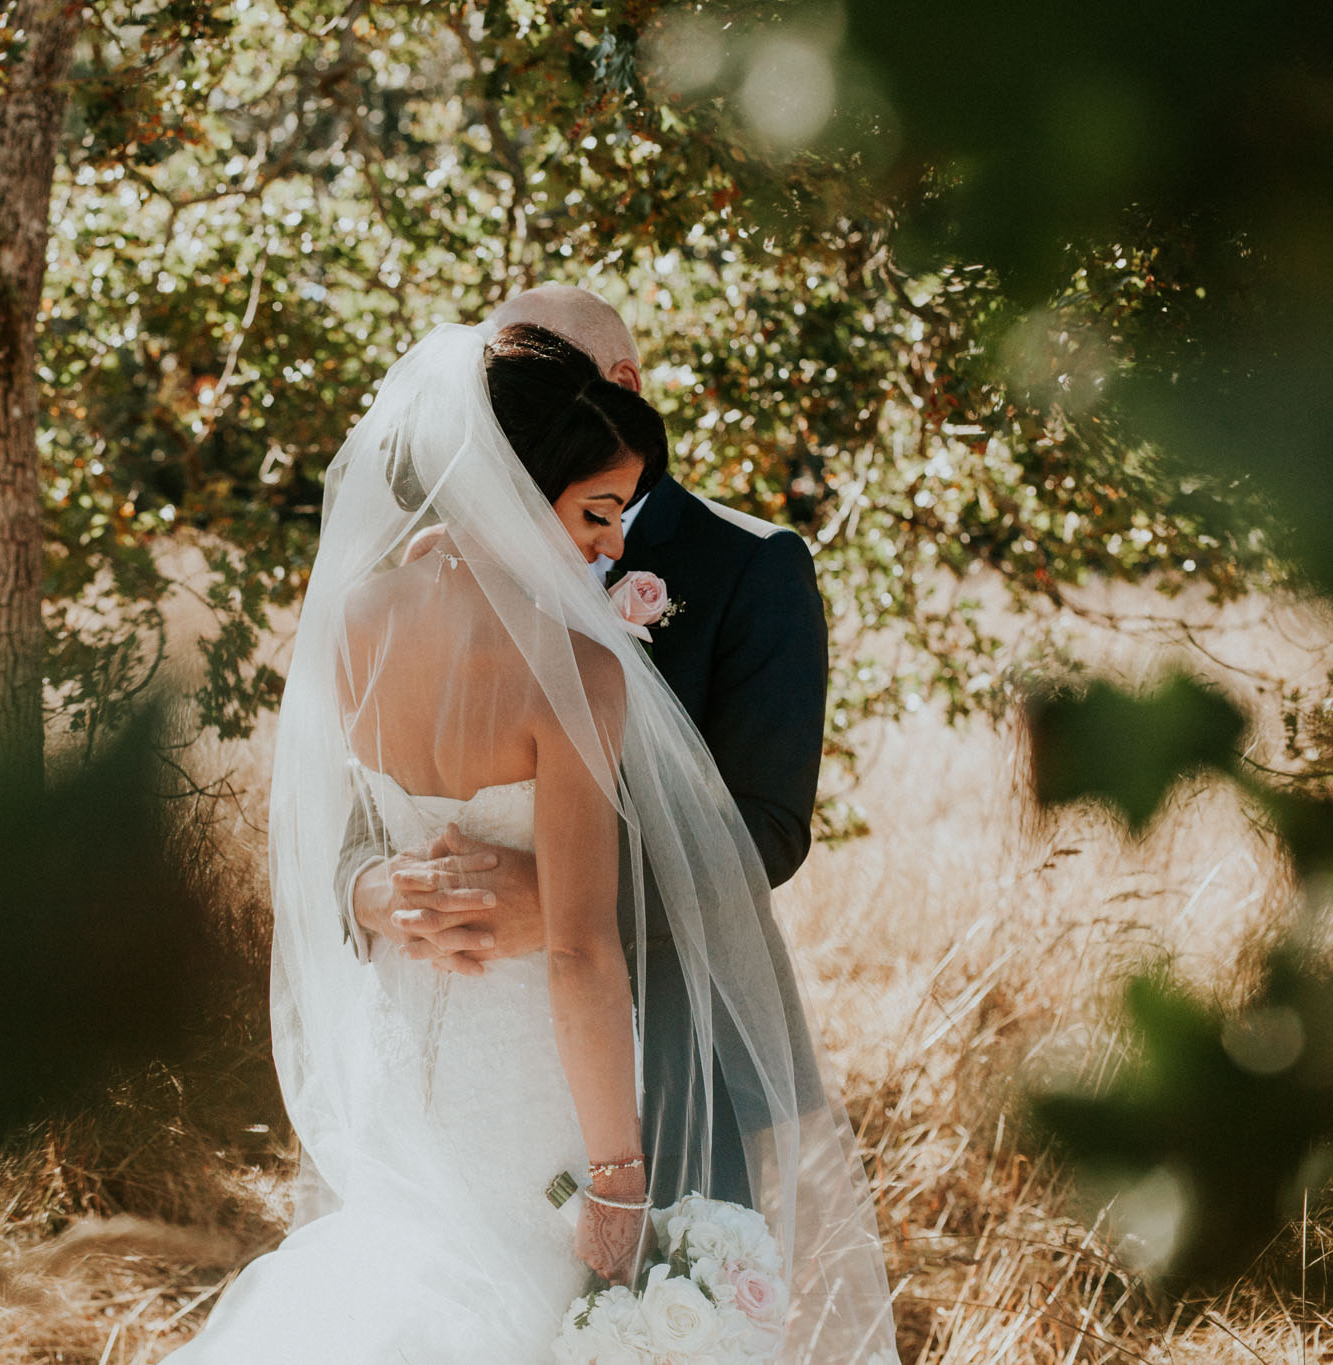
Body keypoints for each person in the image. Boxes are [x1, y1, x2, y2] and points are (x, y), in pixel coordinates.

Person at [161, 320, 896, 1364]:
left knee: (405, 1287)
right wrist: (617, 1182)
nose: (612, 545)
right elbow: (579, 953)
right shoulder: (571, 673)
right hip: (538, 1080)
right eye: (595, 514)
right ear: (516, 483)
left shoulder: (356, 619)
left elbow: (761, 828)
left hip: (405, 1057)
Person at [338, 285, 829, 1214]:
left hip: (672, 1045)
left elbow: (768, 826)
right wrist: (381, 892)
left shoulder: (751, 566)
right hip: (451, 1045)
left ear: (618, 387)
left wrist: (565, 902)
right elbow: (354, 830)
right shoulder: (421, 578)